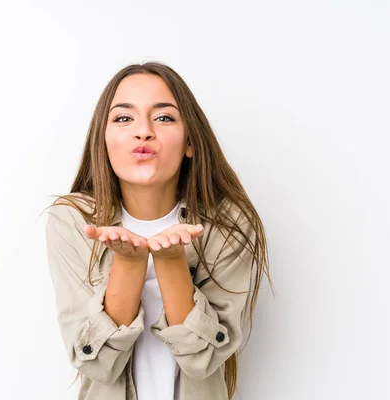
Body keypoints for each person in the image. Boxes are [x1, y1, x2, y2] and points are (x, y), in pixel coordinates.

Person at [43, 61, 271, 400]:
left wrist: (171, 260)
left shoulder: (229, 225)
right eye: (123, 118)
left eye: (164, 117)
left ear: (191, 142)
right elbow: (97, 363)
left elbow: (203, 359)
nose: (144, 131)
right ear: (102, 142)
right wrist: (130, 264)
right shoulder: (73, 220)